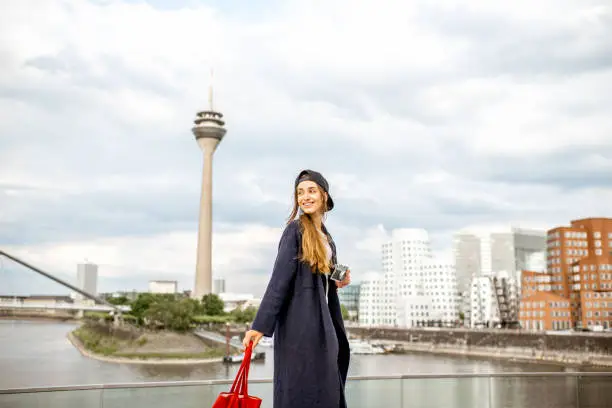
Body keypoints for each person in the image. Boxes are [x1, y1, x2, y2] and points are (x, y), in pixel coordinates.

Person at [243, 169, 352, 408]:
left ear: (324, 195)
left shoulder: (326, 236)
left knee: (327, 388)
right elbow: (279, 279)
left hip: (325, 325)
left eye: (311, 191)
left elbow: (327, 273)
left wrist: (342, 276)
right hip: (299, 328)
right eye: (300, 193)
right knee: (301, 389)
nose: (305, 197)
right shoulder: (295, 230)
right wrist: (259, 326)